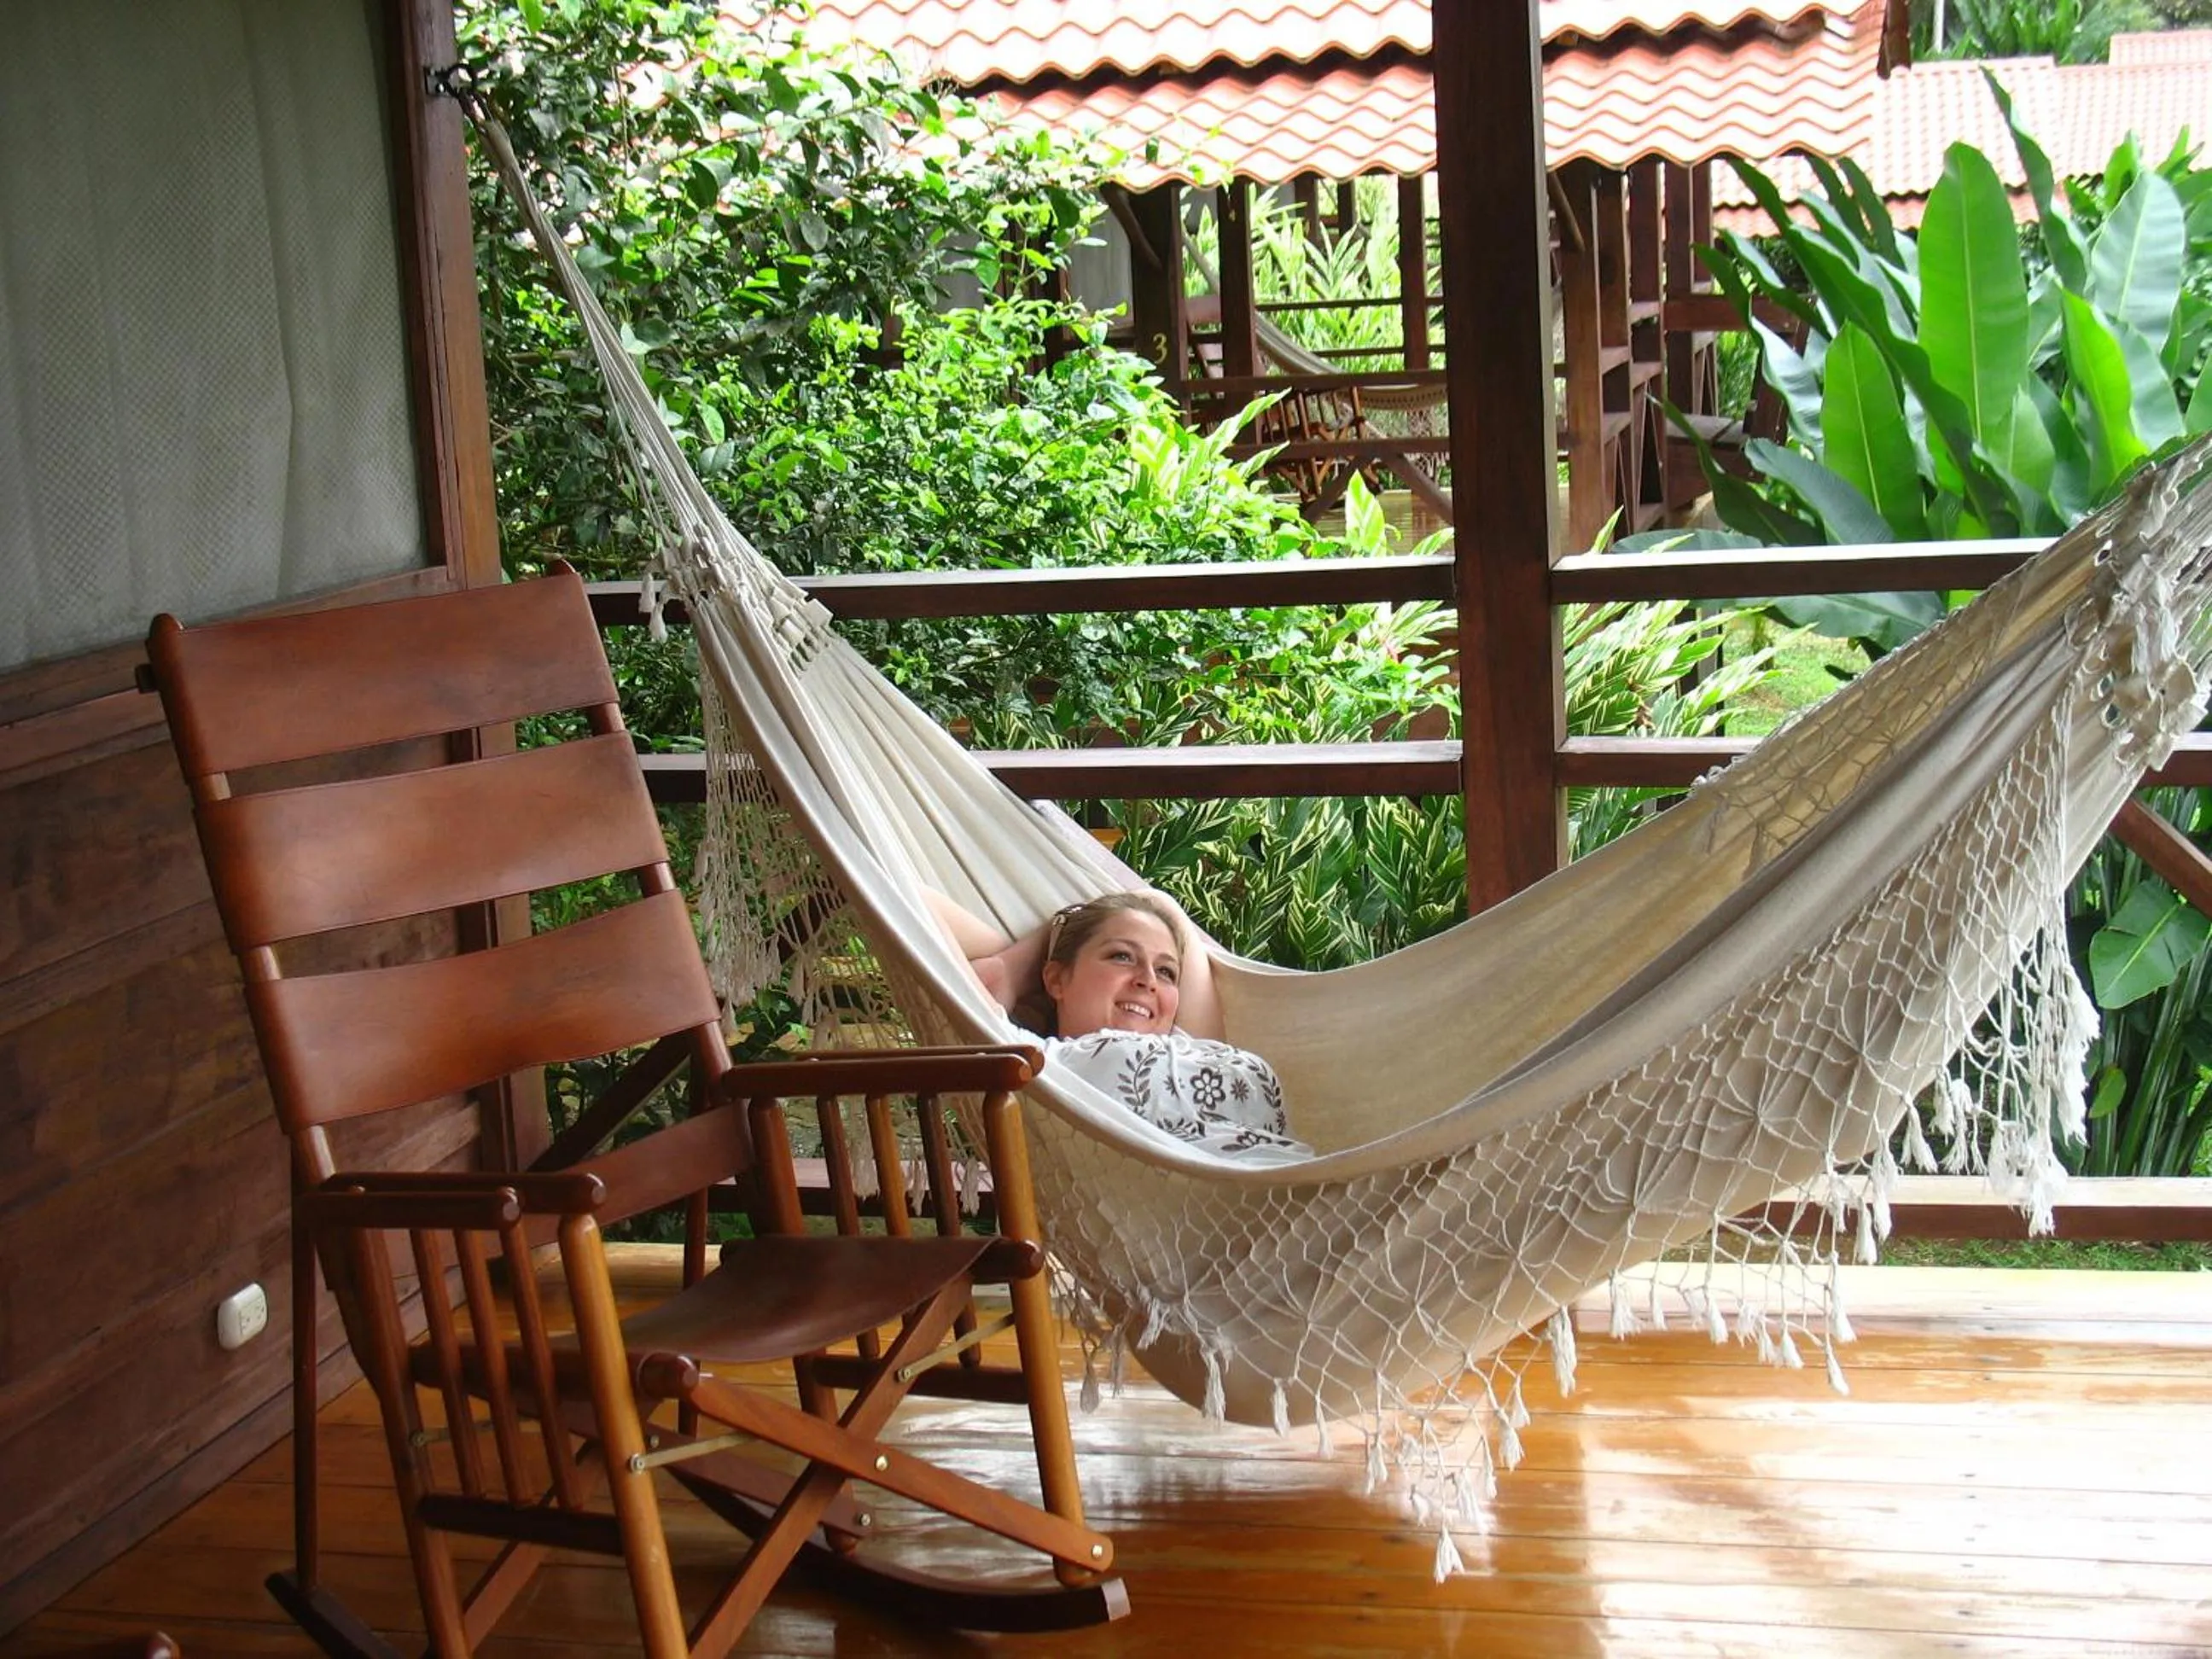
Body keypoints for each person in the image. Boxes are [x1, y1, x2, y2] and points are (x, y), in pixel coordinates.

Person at [922, 888, 1309, 1162]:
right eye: (1122, 956)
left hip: (1306, 1187)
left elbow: (1160, 903)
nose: (1148, 980)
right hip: (1248, 1219)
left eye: (1166, 970)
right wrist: (1013, 968)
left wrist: (1063, 935)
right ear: (1055, 980)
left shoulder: (1195, 1041)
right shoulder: (1036, 1061)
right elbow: (913, 902)